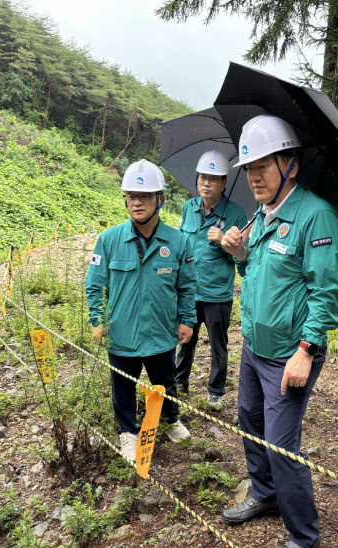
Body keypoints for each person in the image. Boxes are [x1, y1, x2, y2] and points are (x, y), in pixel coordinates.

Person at [219, 115, 338, 548]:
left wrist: (307, 350)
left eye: (263, 166)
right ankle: (265, 494)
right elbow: (258, 272)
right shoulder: (262, 215)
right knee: (250, 423)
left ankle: (303, 535)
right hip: (255, 347)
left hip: (290, 354)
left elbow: (327, 293)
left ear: (289, 163)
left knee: (281, 445)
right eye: (249, 169)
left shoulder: (316, 217)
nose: (254, 177)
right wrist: (239, 254)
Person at [85, 159, 195, 463]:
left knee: (165, 379)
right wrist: (97, 319)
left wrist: (187, 319)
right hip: (121, 331)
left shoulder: (178, 241)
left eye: (144, 196)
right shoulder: (108, 240)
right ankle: (128, 432)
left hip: (161, 330)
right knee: (122, 385)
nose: (137, 202)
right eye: (131, 196)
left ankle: (170, 420)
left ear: (159, 199)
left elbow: (187, 286)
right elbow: (94, 285)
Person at [175, 150, 247, 410]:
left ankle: (215, 391)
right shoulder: (188, 207)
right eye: (203, 177)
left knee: (219, 346)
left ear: (224, 183)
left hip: (217, 294)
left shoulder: (237, 215)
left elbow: (241, 258)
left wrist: (223, 242)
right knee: (185, 340)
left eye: (213, 179)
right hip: (190, 292)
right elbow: (183, 244)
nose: (206, 183)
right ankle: (179, 383)